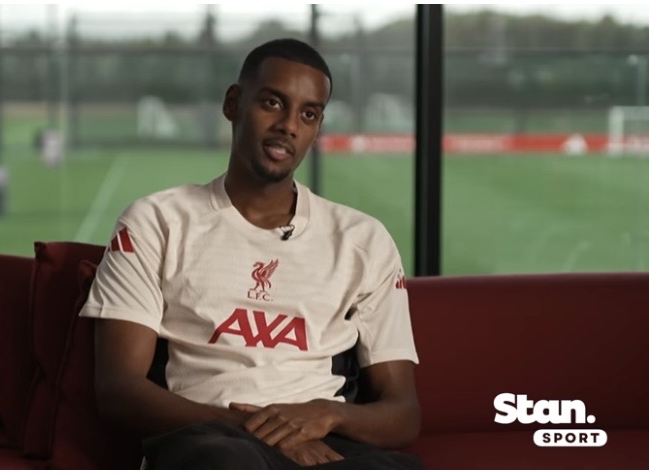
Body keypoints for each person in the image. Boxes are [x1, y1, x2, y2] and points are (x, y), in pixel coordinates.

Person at [79, 38, 421, 469]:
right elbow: (118, 391)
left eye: (308, 114)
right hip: (208, 441)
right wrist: (261, 431)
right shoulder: (156, 222)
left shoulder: (363, 240)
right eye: (272, 103)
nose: (289, 126)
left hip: (321, 442)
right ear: (233, 103)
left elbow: (403, 414)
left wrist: (327, 413)